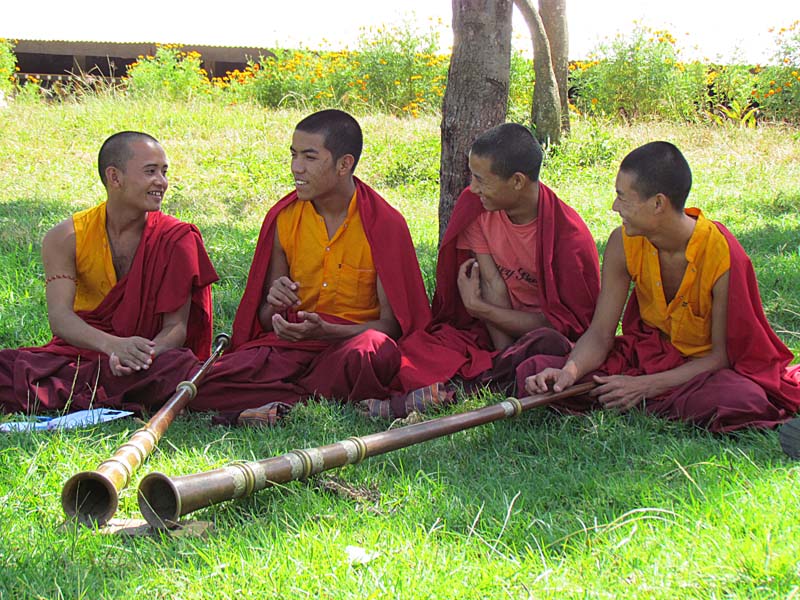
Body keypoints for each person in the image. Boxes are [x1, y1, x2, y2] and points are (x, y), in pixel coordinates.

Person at [521, 141, 800, 432]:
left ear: (658, 203)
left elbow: (720, 357)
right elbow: (602, 333)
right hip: (648, 356)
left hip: (698, 371)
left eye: (622, 198)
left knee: (743, 400)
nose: (615, 207)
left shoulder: (721, 254)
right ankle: (627, 396)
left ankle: (633, 398)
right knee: (538, 370)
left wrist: (644, 387)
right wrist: (569, 371)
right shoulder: (623, 243)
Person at [191, 109, 431, 425]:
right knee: (201, 382)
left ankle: (281, 399)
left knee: (375, 351)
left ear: (344, 164)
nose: (296, 168)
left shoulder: (383, 224)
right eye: (293, 155)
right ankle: (307, 397)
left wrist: (329, 331)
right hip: (291, 349)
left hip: (347, 347)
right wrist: (275, 306)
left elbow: (392, 326)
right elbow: (266, 319)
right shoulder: (286, 218)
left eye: (309, 157)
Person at [361, 123, 601, 419]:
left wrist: (479, 308)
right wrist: (502, 352)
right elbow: (492, 282)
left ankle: (459, 388)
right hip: (492, 333)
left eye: (480, 179)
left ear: (516, 181)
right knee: (416, 351)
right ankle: (496, 375)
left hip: (543, 336)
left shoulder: (569, 236)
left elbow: (567, 325)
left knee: (546, 349)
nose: (473, 188)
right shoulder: (478, 209)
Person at [0, 131, 219, 415]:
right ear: (114, 177)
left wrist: (141, 355)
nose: (162, 183)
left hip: (149, 362)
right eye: (150, 172)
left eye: (164, 172)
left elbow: (175, 329)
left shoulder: (176, 238)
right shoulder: (67, 237)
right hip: (85, 353)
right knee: (7, 366)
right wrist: (113, 347)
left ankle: (89, 390)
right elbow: (60, 319)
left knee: (179, 368)